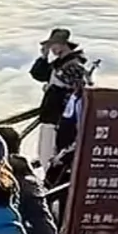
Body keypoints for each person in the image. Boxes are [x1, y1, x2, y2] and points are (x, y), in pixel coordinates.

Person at [28, 29, 91, 174]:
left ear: (63, 45)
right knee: (46, 153)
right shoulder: (60, 63)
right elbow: (38, 74)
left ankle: (52, 186)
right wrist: (43, 57)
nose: (52, 49)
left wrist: (55, 90)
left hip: (60, 119)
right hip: (53, 115)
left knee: (50, 156)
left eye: (54, 45)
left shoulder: (73, 65)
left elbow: (79, 91)